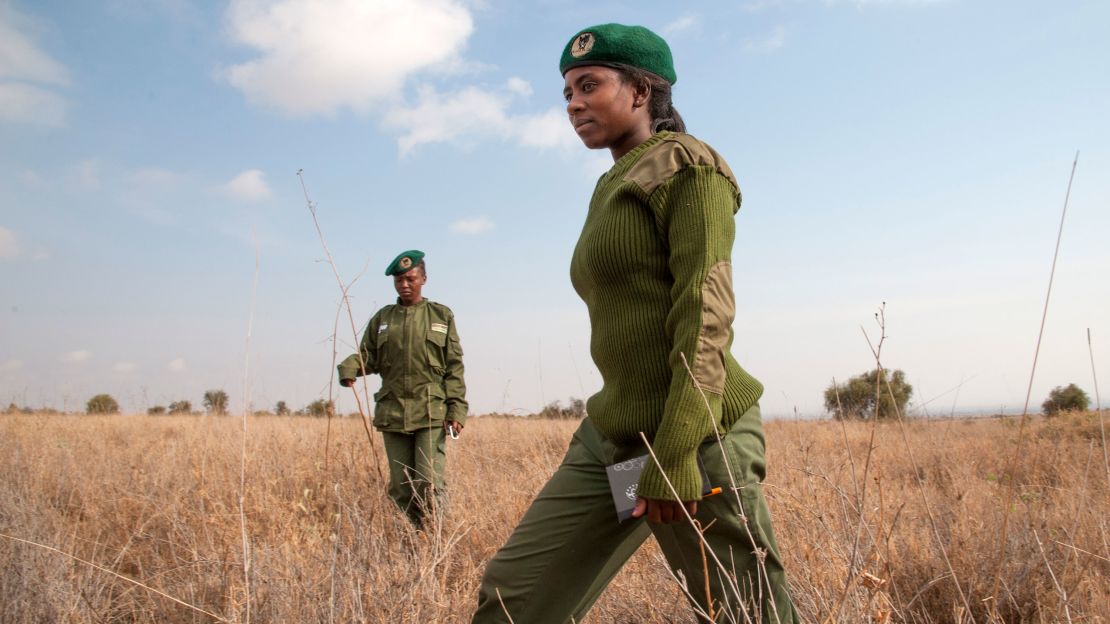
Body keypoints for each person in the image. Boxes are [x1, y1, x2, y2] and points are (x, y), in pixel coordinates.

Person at [471, 24, 798, 623]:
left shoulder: (688, 167)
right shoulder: (611, 184)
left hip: (692, 442)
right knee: (514, 596)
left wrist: (674, 451)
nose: (572, 103)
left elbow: (706, 313)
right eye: (566, 91)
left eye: (589, 85)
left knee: (746, 613)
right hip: (618, 444)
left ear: (642, 91)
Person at [338, 250, 468, 528]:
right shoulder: (383, 319)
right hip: (393, 412)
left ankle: (433, 542)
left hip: (431, 411)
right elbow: (368, 356)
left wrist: (456, 409)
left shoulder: (441, 315)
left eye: (410, 278)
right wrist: (350, 367)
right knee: (401, 488)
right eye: (399, 280)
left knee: (429, 483)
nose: (404, 284)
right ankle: (407, 542)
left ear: (423, 278)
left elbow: (454, 365)